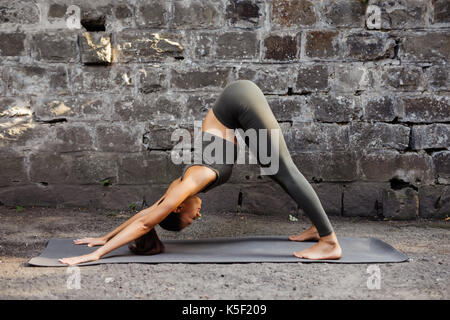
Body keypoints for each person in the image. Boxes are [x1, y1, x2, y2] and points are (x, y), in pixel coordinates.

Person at [59, 80, 342, 266]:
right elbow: (146, 216)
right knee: (276, 170)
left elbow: (145, 225)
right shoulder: (179, 188)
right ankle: (318, 228)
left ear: (179, 206)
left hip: (238, 101)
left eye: (189, 219)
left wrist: (95, 255)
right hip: (234, 109)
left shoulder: (194, 181)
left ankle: (329, 242)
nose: (199, 216)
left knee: (282, 170)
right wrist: (105, 237)